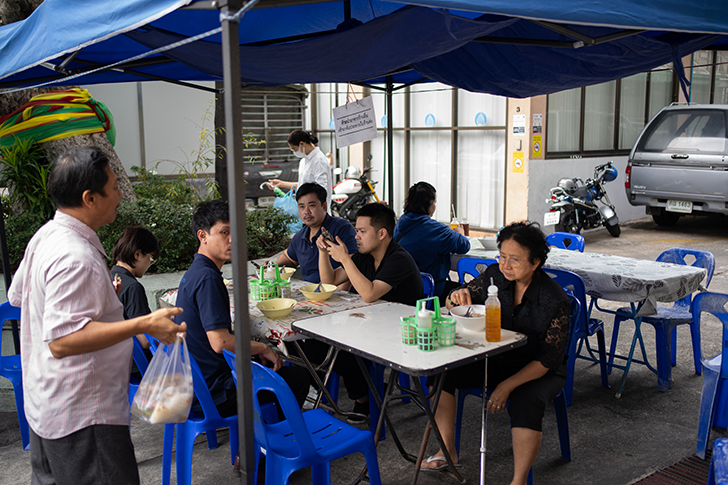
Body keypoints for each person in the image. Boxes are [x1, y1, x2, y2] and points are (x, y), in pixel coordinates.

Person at [8, 146, 184, 485]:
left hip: (47, 403)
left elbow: (20, 296)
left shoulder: (46, 236)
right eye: (114, 187)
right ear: (90, 198)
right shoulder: (76, 257)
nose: (120, 194)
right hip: (84, 416)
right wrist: (144, 323)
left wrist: (100, 302)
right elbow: (62, 341)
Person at [421, 222, 570, 484]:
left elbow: (548, 359)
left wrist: (507, 386)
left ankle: (518, 480)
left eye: (515, 259)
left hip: (537, 370)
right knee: (442, 373)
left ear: (535, 262)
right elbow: (457, 299)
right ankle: (447, 451)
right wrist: (456, 296)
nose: (505, 265)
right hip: (496, 357)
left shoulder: (553, 299)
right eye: (502, 256)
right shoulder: (494, 277)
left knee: (526, 402)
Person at [174, 199, 309, 420]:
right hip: (217, 393)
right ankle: (271, 440)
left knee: (268, 363)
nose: (232, 239)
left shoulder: (197, 271)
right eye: (224, 232)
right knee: (298, 378)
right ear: (203, 236)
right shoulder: (207, 278)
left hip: (198, 386)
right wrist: (262, 348)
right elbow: (220, 343)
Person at [313, 202, 423, 421]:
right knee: (319, 343)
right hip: (371, 324)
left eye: (362, 231)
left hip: (403, 331)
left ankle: (365, 399)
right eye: (356, 231)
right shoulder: (364, 256)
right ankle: (367, 392)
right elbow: (330, 281)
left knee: (344, 347)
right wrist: (323, 253)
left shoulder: (399, 259)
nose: (356, 236)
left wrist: (345, 258)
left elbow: (369, 294)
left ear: (382, 233)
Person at [394, 181, 470, 302]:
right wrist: (460, 233)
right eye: (434, 202)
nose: (435, 206)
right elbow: (464, 245)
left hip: (402, 289)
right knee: (468, 292)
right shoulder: (436, 229)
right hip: (429, 291)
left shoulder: (401, 223)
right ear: (428, 204)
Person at [274, 182, 357, 283]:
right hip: (308, 291)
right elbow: (289, 258)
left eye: (311, 205)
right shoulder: (300, 236)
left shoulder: (342, 228)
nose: (306, 211)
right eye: (302, 207)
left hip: (336, 289)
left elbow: (354, 263)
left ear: (324, 206)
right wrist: (271, 266)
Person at [268, 130, 332, 209]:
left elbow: (321, 190)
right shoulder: (304, 160)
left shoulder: (319, 160)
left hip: (316, 211)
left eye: (294, 149)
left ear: (302, 144)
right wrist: (281, 184)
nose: (294, 152)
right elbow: (302, 185)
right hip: (305, 210)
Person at [111, 226, 159, 320]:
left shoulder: (105, 277)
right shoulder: (132, 287)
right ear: (137, 254)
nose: (149, 265)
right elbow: (143, 326)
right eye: (151, 259)